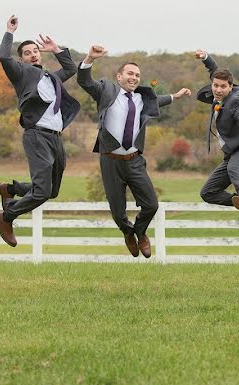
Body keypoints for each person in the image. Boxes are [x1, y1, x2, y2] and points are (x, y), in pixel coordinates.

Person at [76, 57, 191, 257]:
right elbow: (85, 81)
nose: (134, 77)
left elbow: (158, 101)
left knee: (151, 205)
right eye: (130, 73)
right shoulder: (106, 92)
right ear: (119, 76)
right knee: (118, 212)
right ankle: (128, 232)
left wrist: (176, 96)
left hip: (135, 160)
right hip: (110, 161)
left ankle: (140, 231)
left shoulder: (141, 98)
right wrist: (90, 59)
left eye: (137, 75)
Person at [0, 15, 83, 247]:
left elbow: (71, 68)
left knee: (51, 191)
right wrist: (9, 31)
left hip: (56, 137)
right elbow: (3, 56)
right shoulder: (22, 74)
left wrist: (57, 49)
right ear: (22, 59)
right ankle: (6, 217)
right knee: (41, 192)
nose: (33, 54)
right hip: (37, 135)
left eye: (35, 51)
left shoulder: (50, 77)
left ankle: (11, 189)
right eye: (27, 52)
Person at [193, 50, 239, 229]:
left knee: (235, 167)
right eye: (215, 85)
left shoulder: (235, 100)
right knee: (208, 193)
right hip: (231, 153)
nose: (218, 90)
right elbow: (215, 70)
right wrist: (206, 58)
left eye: (223, 87)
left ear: (231, 86)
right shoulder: (218, 91)